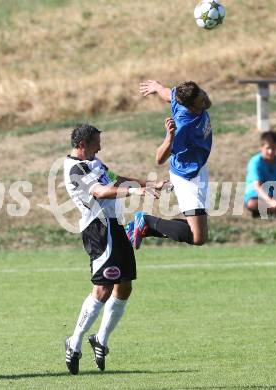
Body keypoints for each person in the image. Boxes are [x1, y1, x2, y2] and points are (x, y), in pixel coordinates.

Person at [63, 123, 161, 375]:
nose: (100, 146)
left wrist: (148, 184)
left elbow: (115, 179)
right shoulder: (76, 169)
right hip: (98, 231)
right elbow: (102, 192)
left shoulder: (95, 162)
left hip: (115, 228)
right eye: (96, 142)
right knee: (103, 288)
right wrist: (136, 191)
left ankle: (101, 339)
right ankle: (74, 342)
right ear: (82, 144)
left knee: (124, 285)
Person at [126, 80, 213, 249]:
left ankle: (143, 226)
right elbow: (159, 159)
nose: (205, 101)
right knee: (198, 237)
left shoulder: (185, 96)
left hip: (199, 169)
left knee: (200, 233)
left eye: (202, 94)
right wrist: (170, 137)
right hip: (187, 177)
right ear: (189, 107)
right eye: (200, 102)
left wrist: (157, 87)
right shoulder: (183, 126)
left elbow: (168, 93)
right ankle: (145, 221)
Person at [244, 131, 276, 217]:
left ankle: (272, 210)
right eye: (268, 148)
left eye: (273, 148)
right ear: (261, 147)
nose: (270, 151)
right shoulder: (255, 162)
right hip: (257, 195)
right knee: (252, 203)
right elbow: (258, 187)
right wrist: (270, 202)